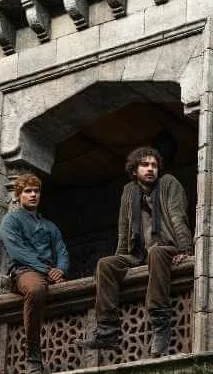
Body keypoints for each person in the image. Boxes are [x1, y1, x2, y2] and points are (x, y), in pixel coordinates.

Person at [78, 146, 192, 358]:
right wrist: (120, 257)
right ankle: (108, 330)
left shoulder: (168, 183)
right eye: (145, 165)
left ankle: (160, 324)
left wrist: (185, 248)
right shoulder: (129, 192)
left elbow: (178, 217)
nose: (150, 169)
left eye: (154, 165)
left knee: (156, 253)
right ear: (134, 170)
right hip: (137, 252)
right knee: (105, 264)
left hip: (167, 246)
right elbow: (124, 228)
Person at [0, 173, 69, 374]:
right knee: (37, 290)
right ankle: (32, 354)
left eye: (36, 191)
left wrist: (61, 269)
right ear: (19, 195)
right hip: (24, 272)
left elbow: (62, 251)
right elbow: (18, 252)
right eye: (28, 191)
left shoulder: (50, 226)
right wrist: (48, 271)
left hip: (50, 273)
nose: (32, 195)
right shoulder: (10, 221)